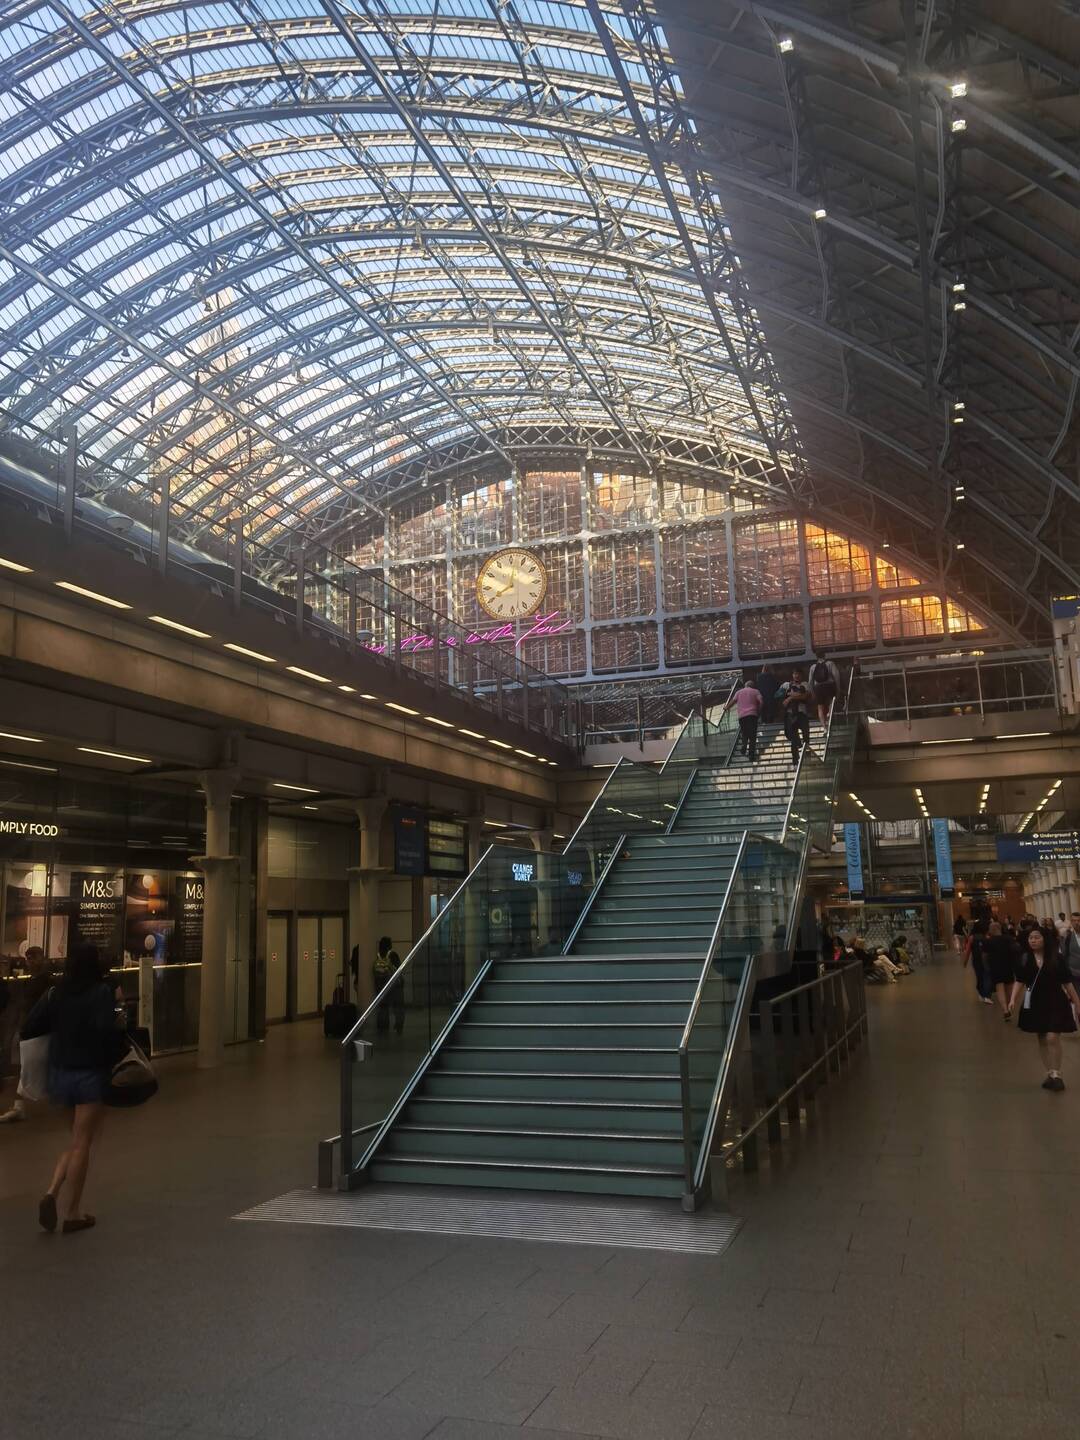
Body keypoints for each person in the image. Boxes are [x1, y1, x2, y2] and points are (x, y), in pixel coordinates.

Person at [21, 944, 121, 1233]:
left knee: (75, 1141)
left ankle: (52, 1191)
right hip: (89, 1073)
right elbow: (106, 1030)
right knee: (83, 1143)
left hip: (60, 1073)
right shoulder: (101, 992)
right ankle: (73, 1212)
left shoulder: (55, 992)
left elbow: (29, 1027)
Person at [1008, 925, 1080, 1091]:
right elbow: (1020, 980)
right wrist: (1012, 999)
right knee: (1041, 1037)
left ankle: (1057, 1073)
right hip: (1034, 1001)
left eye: (1037, 937)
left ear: (1044, 939)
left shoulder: (1057, 958)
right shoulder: (1025, 958)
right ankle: (1050, 1072)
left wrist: (1077, 1003)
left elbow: (1067, 982)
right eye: (1030, 938)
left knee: (1052, 1037)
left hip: (1056, 1000)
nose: (1033, 940)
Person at [0, 947, 54, 1123]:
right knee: (23, 1068)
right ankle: (18, 1105)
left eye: (34, 957)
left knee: (27, 1068)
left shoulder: (47, 981)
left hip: (37, 1032)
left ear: (42, 958)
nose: (30, 962)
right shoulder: (32, 980)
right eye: (28, 958)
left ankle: (19, 1106)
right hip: (29, 1030)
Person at [984, 921, 1019, 1019]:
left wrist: (986, 967)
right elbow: (1015, 950)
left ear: (991, 930)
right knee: (1009, 988)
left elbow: (985, 956)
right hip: (1008, 966)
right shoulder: (1008, 938)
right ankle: (1009, 1005)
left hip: (995, 967)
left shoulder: (988, 941)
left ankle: (1005, 1009)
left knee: (999, 988)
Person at [777, 668, 813, 765]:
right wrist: (789, 694)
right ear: (792, 675)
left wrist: (791, 697)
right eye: (795, 674)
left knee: (806, 736)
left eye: (798, 674)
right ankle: (795, 761)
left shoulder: (805, 684)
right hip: (790, 714)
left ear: (801, 675)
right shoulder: (786, 685)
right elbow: (777, 695)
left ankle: (807, 756)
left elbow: (806, 696)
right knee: (793, 738)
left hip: (802, 713)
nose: (796, 676)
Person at [725, 676, 762, 763]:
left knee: (745, 732)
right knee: (752, 736)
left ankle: (744, 745)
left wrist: (726, 708)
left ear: (745, 686)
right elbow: (761, 701)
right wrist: (759, 711)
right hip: (753, 715)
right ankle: (751, 755)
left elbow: (732, 702)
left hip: (742, 716)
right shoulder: (756, 691)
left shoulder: (738, 692)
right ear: (753, 686)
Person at [372, 936, 404, 1035]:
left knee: (383, 1008)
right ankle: (398, 1027)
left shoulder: (378, 957)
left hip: (381, 987)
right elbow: (399, 968)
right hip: (394, 986)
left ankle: (382, 1027)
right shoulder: (393, 955)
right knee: (398, 1008)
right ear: (389, 945)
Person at [808, 650, 841, 726]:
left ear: (816, 657)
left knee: (820, 707)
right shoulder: (830, 663)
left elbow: (810, 681)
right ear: (824, 655)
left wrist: (812, 692)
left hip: (818, 688)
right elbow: (836, 676)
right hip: (829, 686)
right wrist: (838, 688)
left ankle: (824, 728)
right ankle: (829, 713)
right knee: (830, 702)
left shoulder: (813, 667)